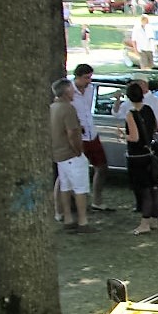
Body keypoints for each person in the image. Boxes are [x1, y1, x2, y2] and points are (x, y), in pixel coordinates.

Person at [50, 78, 96, 233]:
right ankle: (83, 221)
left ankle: (68, 218)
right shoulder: (67, 109)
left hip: (59, 154)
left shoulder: (53, 107)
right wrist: (78, 150)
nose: (73, 92)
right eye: (71, 89)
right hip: (70, 154)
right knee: (80, 188)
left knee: (65, 186)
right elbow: (72, 133)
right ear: (66, 91)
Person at [69, 64, 111, 211]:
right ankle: (75, 202)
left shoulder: (90, 89)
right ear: (78, 77)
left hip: (92, 133)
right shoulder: (69, 92)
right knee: (77, 169)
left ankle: (97, 201)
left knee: (102, 166)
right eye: (86, 78)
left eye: (90, 77)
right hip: (79, 136)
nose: (89, 81)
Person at [123, 80, 158, 234]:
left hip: (137, 155)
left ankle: (144, 223)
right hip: (149, 153)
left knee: (144, 190)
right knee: (154, 187)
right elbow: (157, 127)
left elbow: (134, 137)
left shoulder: (131, 114)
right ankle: (154, 219)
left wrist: (122, 135)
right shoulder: (148, 109)